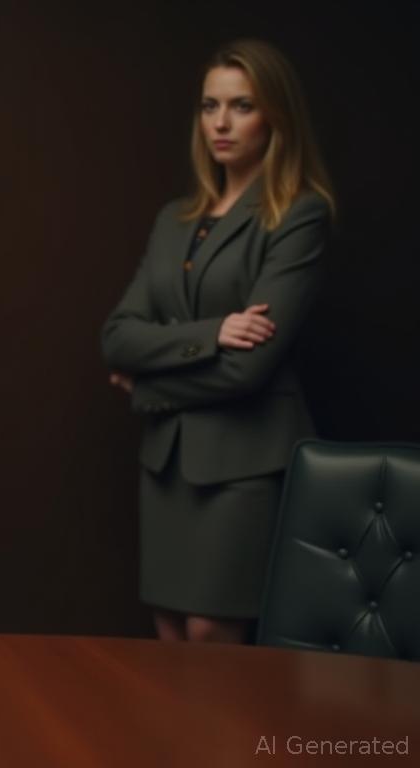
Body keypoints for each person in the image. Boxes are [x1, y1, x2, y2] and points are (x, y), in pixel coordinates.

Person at [101, 39, 334, 643]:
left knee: (210, 636)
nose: (221, 123)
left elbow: (249, 370)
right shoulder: (175, 218)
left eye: (242, 106)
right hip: (167, 468)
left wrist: (146, 387)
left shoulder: (299, 215)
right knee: (169, 633)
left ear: (276, 116)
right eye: (210, 106)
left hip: (244, 465)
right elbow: (118, 337)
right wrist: (213, 332)